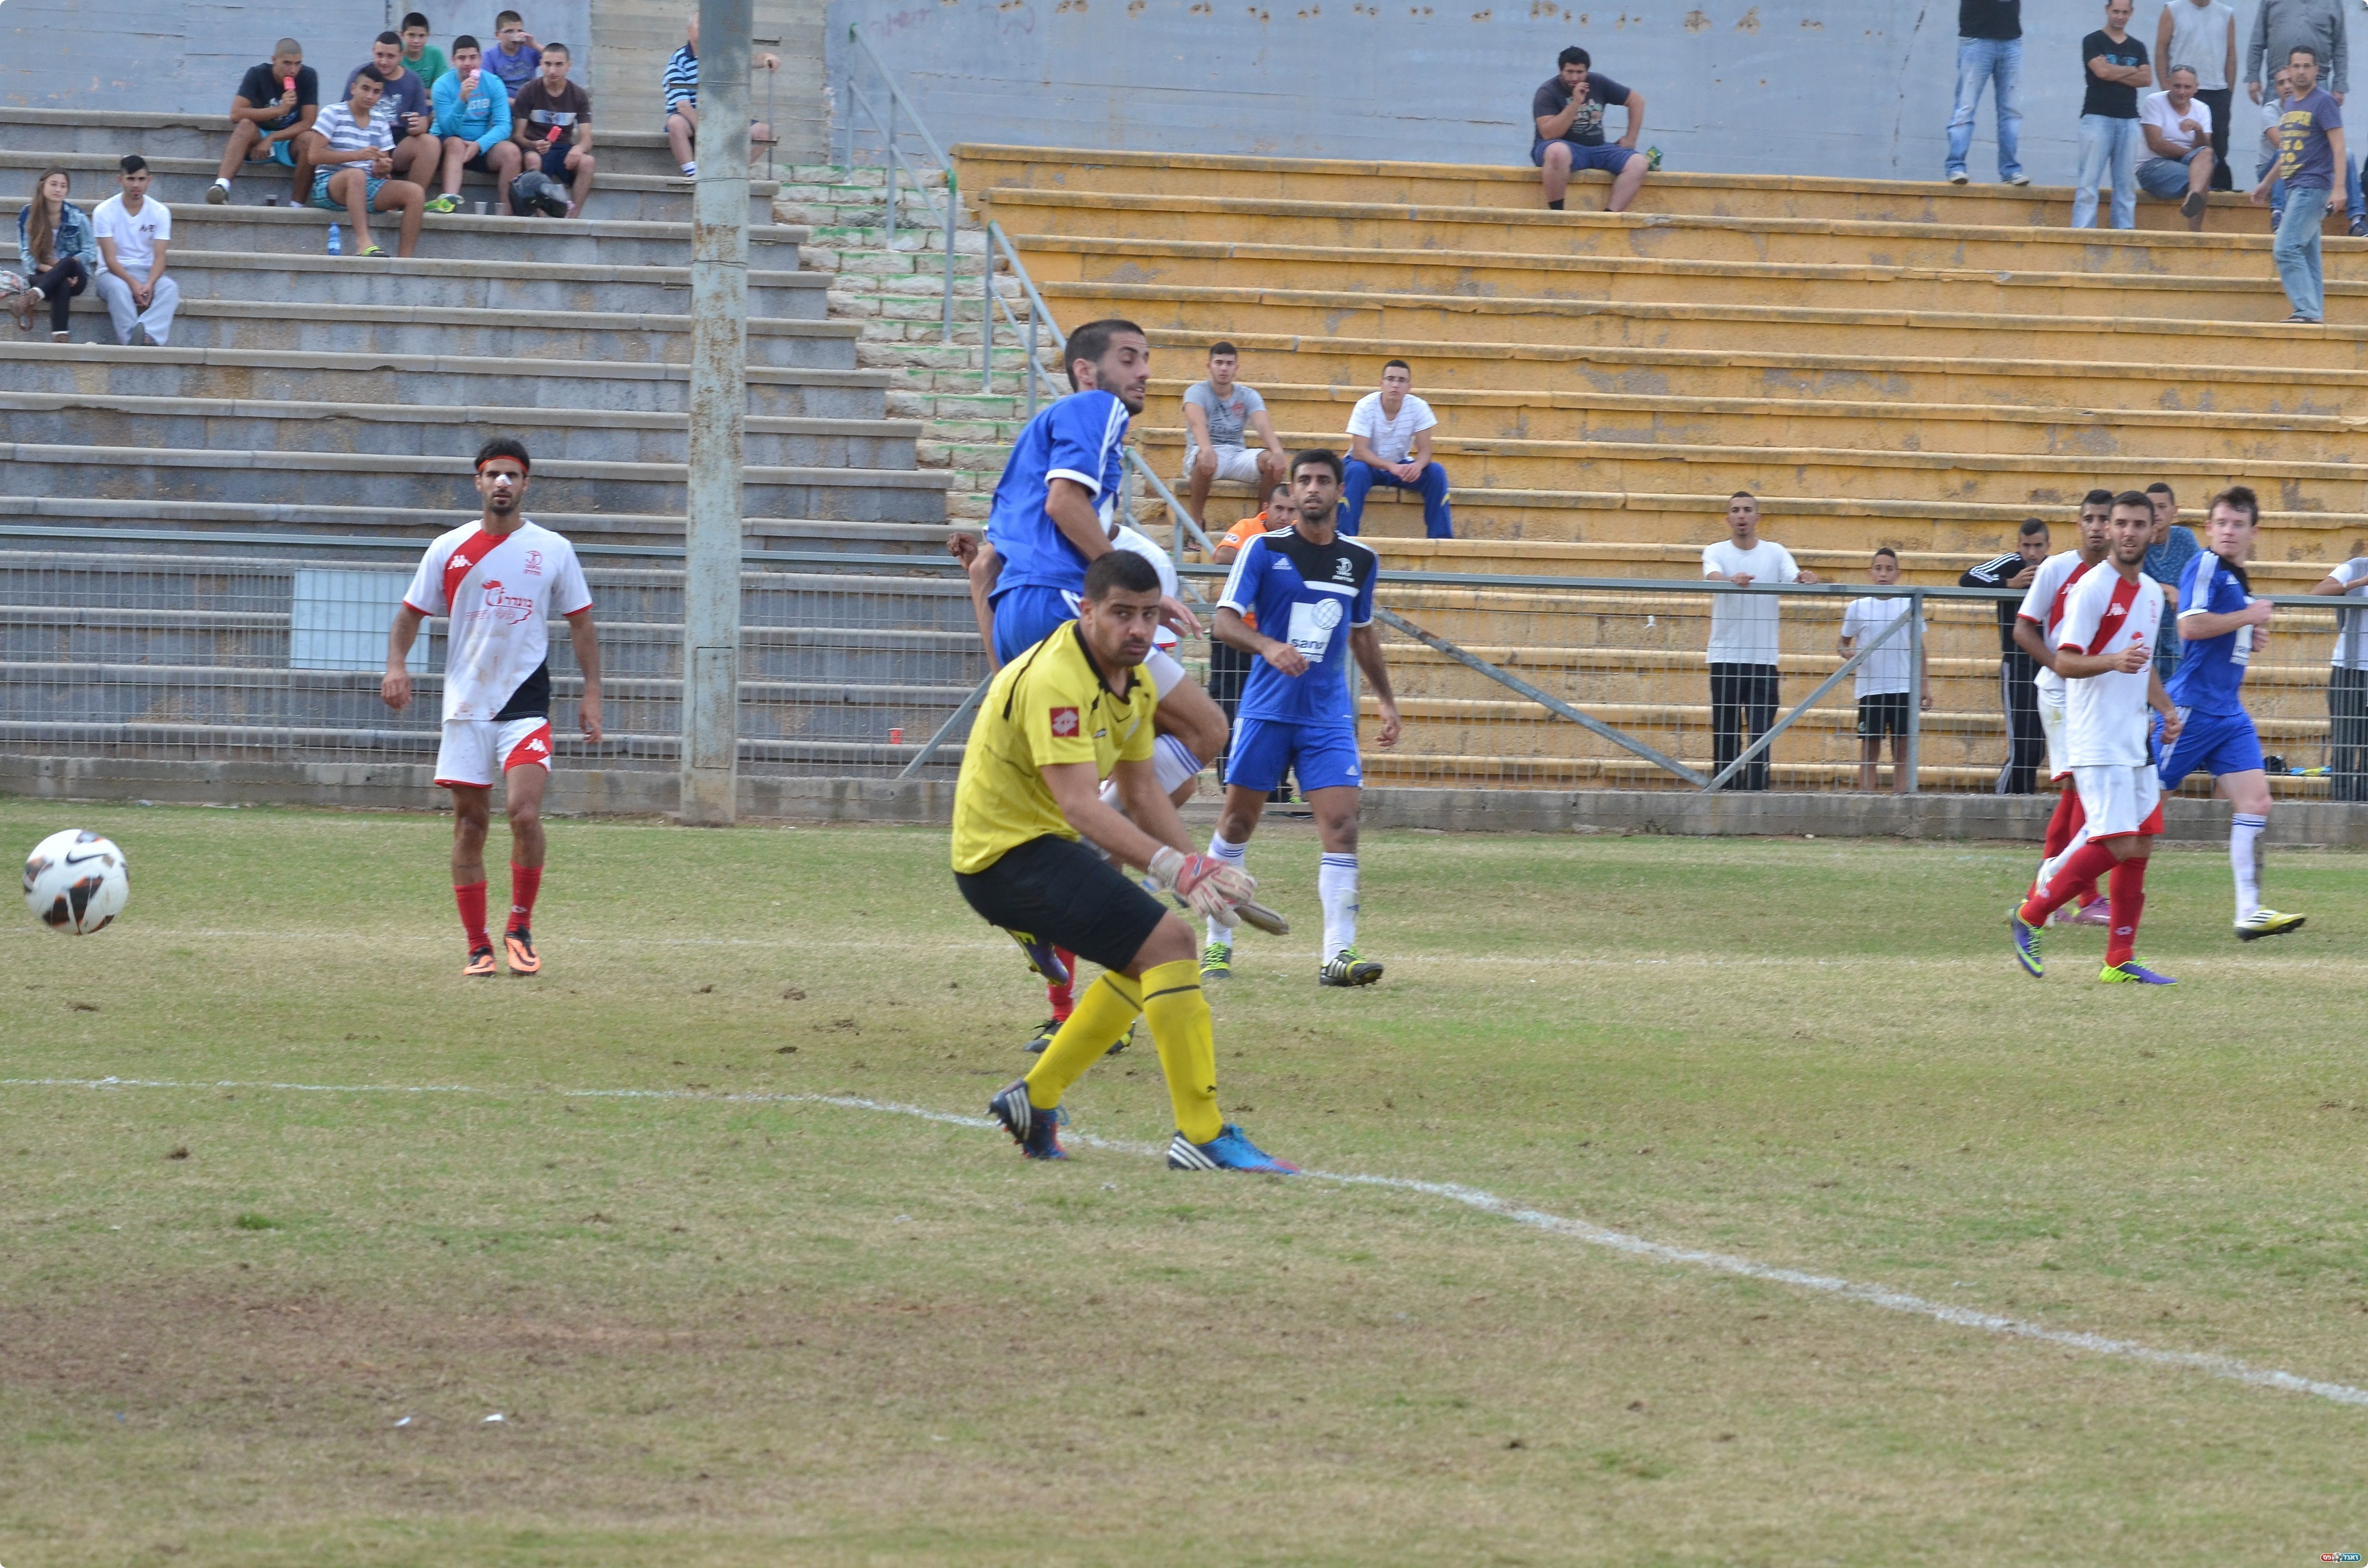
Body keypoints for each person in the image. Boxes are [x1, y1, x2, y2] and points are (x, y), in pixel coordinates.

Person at [955, 551, 1290, 1173]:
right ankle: (1203, 1134)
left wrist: (1199, 868)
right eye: (1121, 614)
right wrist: (1175, 868)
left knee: (1153, 963)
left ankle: (1034, 1099)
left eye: (1146, 614)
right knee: (1171, 944)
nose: (1137, 629)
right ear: (1087, 612)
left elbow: (1139, 792)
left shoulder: (1129, 678)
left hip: (1037, 847)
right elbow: (1082, 806)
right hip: (1003, 857)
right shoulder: (1058, 678)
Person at [383, 437, 603, 979]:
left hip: (526, 701)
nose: (502, 483)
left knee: (524, 813)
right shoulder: (447, 548)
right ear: (478, 483)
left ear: (526, 485)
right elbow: (411, 614)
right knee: (469, 826)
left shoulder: (553, 549)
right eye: (493, 475)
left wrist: (592, 690)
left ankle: (519, 927)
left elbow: (581, 623)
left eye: (512, 475)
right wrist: (396, 665)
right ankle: (478, 945)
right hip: (465, 706)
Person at [1200, 449, 1401, 987]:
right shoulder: (1262, 550)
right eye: (1303, 481)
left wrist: (1384, 699)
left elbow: (1360, 632)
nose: (1312, 489)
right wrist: (1265, 645)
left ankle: (1338, 954)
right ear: (1289, 493)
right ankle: (1217, 941)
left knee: (1342, 827)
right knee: (1238, 824)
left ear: (1340, 492)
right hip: (1266, 709)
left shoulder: (1359, 559)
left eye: (1322, 481)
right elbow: (1221, 621)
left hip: (1326, 715)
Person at [2010, 492, 2182, 985]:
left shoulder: (2150, 593)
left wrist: (2166, 709)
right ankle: (2031, 914)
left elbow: (2142, 664)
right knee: (2118, 840)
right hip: (2096, 736)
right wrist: (2110, 662)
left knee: (2142, 842)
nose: (2127, 532)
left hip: (2133, 738)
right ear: (2108, 531)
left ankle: (2118, 958)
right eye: (2119, 524)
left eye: (2137, 524)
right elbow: (2064, 661)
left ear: (2153, 531)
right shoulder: (2090, 588)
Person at [2157, 485, 2306, 941]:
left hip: (2227, 712)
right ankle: (2053, 882)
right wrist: (2246, 619)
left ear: (2253, 532)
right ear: (2208, 528)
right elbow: (2189, 624)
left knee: (2257, 802)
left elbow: (2220, 630)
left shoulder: (2236, 577)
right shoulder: (2204, 565)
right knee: (2139, 810)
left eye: (2237, 524)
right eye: (2221, 523)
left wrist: (2248, 637)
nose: (2228, 531)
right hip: (2191, 708)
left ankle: (2249, 911)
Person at [2014, 492, 2115, 927]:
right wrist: (2059, 665)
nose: (2096, 526)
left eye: (2104, 519)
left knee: (2079, 790)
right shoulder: (2057, 569)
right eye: (2089, 518)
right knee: (2081, 785)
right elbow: (2024, 629)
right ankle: (2071, 893)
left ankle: (2050, 891)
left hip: (2096, 696)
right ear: (2079, 524)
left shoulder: (2119, 576)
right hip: (2059, 693)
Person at [1702, 492, 1820, 792]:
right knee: (1726, 731)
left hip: (1763, 659)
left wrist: (1804, 578)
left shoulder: (1776, 552)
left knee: (1760, 732)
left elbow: (1793, 577)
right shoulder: (1715, 550)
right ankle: (1725, 795)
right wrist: (1731, 580)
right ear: (1728, 518)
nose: (1742, 516)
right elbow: (1712, 575)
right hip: (1725, 656)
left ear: (1758, 518)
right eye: (1736, 510)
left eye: (1748, 510)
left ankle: (1756, 796)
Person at [1206, 483, 1295, 792]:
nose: (1284, 517)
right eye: (1279, 509)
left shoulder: (1300, 537)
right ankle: (1231, 781)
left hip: (1277, 639)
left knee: (1277, 710)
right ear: (1266, 508)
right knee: (1229, 706)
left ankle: (1276, 786)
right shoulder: (1248, 528)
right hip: (1237, 636)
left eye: (1290, 511)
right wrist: (1264, 569)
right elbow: (1224, 557)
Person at [2252, 45, 2345, 324]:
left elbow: (2339, 147)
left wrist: (2340, 188)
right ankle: (2314, 315)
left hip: (2313, 186)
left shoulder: (2324, 102)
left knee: (2286, 247)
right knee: (2306, 253)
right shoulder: (2292, 104)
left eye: (2307, 66)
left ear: (2317, 70)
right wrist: (2267, 184)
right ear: (2289, 70)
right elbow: (2288, 152)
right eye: (2297, 66)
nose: (2301, 71)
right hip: (2294, 187)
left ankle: (2306, 311)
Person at [1963, 520, 2049, 795]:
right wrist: (2008, 584)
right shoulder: (2010, 564)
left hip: (2049, 665)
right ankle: (2005, 802)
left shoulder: (2056, 567)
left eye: (2038, 546)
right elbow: (1968, 578)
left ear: (2048, 546)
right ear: (2018, 546)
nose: (2032, 553)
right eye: (2026, 546)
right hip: (2017, 665)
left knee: (2038, 747)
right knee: (2022, 745)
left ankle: (2022, 801)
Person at [305, 70, 427, 259]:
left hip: (367, 184)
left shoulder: (380, 121)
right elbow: (314, 156)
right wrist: (357, 155)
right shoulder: (332, 112)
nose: (370, 96)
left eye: (377, 92)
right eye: (366, 89)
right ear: (353, 88)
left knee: (416, 193)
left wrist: (383, 167)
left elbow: (382, 167)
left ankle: (406, 260)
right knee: (356, 175)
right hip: (329, 184)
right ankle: (363, 243)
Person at [1838, 549, 1930, 794]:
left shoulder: (1909, 604)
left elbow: (1920, 649)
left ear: (1898, 574)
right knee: (1870, 749)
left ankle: (1903, 802)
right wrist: (1849, 654)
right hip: (1871, 689)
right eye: (1879, 569)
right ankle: (1867, 802)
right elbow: (1842, 644)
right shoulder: (1858, 607)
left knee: (1902, 749)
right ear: (1870, 573)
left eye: (1889, 569)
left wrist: (1924, 687)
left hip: (1902, 688)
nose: (1883, 574)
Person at [1181, 343, 1288, 528]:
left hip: (1237, 453)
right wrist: (1207, 450)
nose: (1224, 368)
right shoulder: (1196, 392)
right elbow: (1198, 423)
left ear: (1236, 368)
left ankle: (1260, 523)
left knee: (1272, 460)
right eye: (1219, 363)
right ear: (1209, 366)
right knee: (1204, 458)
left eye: (1229, 364)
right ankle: (1196, 523)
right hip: (1205, 449)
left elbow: (1262, 424)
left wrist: (1278, 452)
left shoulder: (1248, 395)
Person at [1341, 360, 1452, 539]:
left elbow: (1425, 451)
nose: (1395, 385)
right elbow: (1359, 452)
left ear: (1409, 387)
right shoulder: (1365, 406)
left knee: (1436, 472)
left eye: (1402, 380)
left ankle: (1442, 539)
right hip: (1367, 465)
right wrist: (1392, 467)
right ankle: (1345, 537)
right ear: (1381, 383)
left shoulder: (1419, 407)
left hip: (1400, 465)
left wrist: (1418, 466)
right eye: (1390, 379)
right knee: (1355, 471)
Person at [1530, 46, 1647, 212]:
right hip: (1564, 147)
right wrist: (1576, 103)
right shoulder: (1547, 92)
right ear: (1560, 70)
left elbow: (1637, 101)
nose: (1575, 78)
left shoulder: (1598, 82)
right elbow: (1549, 134)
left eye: (1580, 72)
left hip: (1597, 148)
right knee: (1557, 152)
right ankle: (1558, 214)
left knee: (1639, 163)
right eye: (1570, 72)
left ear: (1587, 71)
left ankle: (1608, 218)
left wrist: (1631, 139)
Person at [663, 16, 781, 179]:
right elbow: (682, 105)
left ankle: (731, 173)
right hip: (691, 117)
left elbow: (750, 59)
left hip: (723, 116)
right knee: (675, 123)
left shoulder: (723, 54)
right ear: (689, 31)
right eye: (701, 24)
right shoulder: (679, 60)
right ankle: (693, 174)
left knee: (764, 132)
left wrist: (767, 57)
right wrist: (709, 132)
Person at [208, 39, 318, 205]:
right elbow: (236, 114)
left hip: (290, 141)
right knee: (245, 125)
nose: (293, 70)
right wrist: (279, 110)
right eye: (287, 63)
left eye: (298, 64)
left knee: (310, 140)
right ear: (274, 60)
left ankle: (297, 206)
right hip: (258, 135)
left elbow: (309, 122)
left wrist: (272, 139)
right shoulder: (257, 74)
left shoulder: (308, 76)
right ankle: (221, 188)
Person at [2075, 0, 2153, 231]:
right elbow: (2101, 71)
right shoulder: (2093, 41)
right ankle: (2082, 234)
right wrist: (2132, 70)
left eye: (2125, 12)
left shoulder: (2138, 46)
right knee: (2089, 183)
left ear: (2132, 13)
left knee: (2126, 185)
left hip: (2129, 120)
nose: (2120, 16)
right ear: (2107, 10)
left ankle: (2124, 234)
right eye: (2116, 11)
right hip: (2097, 118)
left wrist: (2113, 71)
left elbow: (2147, 79)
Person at [90, 156, 179, 346]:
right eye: (131, 179)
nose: (136, 185)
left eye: (141, 179)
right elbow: (110, 259)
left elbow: (160, 257)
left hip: (147, 271)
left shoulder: (160, 212)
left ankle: (149, 336)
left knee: (170, 288)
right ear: (120, 180)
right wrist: (133, 284)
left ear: (149, 180)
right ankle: (132, 340)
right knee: (119, 289)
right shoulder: (104, 211)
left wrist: (149, 284)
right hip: (112, 274)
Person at [429, 38, 519, 216]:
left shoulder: (493, 83)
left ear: (480, 59)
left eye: (473, 57)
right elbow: (448, 128)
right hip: (448, 146)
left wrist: (480, 145)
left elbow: (504, 126)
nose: (468, 63)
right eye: (462, 58)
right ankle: (449, 205)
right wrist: (462, 99)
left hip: (480, 146)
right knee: (455, 144)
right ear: (453, 60)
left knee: (512, 152)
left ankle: (507, 215)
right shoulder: (441, 86)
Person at [2156, 0, 2236, 189]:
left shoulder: (2226, 13)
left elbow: (2231, 54)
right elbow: (2161, 50)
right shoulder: (2172, 10)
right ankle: (2183, 189)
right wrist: (2165, 89)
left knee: (2217, 147)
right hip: (2181, 91)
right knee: (2179, 141)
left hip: (2217, 91)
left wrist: (2228, 91)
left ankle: (2215, 195)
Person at [1948, 0, 2029, 185]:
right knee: (1965, 108)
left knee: (2011, 112)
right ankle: (1956, 167)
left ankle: (2010, 171)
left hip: (2011, 41)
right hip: (1977, 40)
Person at [2309, 548, 2368, 801]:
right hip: (2349, 669)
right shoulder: (2356, 567)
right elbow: (2317, 594)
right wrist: (2359, 583)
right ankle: (2341, 808)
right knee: (2344, 744)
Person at [509, 41, 594, 218]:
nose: (552, 71)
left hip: (563, 148)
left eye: (559, 65)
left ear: (569, 66)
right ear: (541, 64)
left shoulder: (578, 95)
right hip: (535, 147)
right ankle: (542, 218)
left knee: (588, 162)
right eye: (548, 64)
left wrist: (577, 150)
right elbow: (518, 136)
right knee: (532, 159)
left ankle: (573, 218)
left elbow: (587, 139)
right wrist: (533, 144)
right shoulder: (529, 91)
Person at [13, 168, 94, 342]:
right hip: (42, 274)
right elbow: (27, 256)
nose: (58, 190)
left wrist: (66, 268)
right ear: (42, 186)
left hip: (76, 274)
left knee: (68, 262)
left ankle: (32, 296)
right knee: (61, 283)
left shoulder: (77, 216)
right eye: (54, 184)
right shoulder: (28, 214)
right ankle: (60, 335)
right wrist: (55, 270)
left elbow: (90, 252)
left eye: (63, 186)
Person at [347, 34, 440, 184]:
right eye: (380, 55)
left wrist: (417, 126)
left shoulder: (413, 80)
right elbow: (346, 115)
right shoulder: (360, 76)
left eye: (390, 56)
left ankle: (412, 197)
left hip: (398, 144)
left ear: (401, 56)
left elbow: (423, 123)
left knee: (431, 143)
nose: (384, 62)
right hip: (364, 141)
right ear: (373, 52)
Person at [2137, 66, 2218, 226]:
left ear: (2196, 88)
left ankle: (2193, 196)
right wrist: (2191, 155)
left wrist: (2199, 131)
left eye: (2187, 87)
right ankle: (2195, 236)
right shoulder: (2154, 102)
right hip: (2153, 166)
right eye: (2177, 86)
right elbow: (2155, 144)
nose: (2182, 92)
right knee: (2203, 174)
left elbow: (2205, 149)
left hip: (2185, 167)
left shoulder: (2202, 109)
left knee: (2207, 157)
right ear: (2168, 84)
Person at [2141, 480, 2199, 679]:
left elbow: (2198, 576)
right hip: (2143, 634)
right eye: (2151, 507)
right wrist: (2167, 589)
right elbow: (2128, 578)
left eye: (2162, 507)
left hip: (2175, 634)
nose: (2156, 513)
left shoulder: (2184, 538)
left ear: (2175, 510)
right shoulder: (2136, 539)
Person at [484, 10, 542, 97]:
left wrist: (536, 45)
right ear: (497, 35)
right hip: (504, 105)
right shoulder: (489, 57)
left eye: (520, 31)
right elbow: (489, 91)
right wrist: (518, 104)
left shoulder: (530, 50)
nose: (516, 35)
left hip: (531, 103)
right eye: (510, 32)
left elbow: (556, 57)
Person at [400, 12, 450, 91]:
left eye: (422, 36)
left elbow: (441, 91)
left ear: (428, 35)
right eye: (411, 35)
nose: (416, 41)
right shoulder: (395, 53)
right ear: (402, 35)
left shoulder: (436, 54)